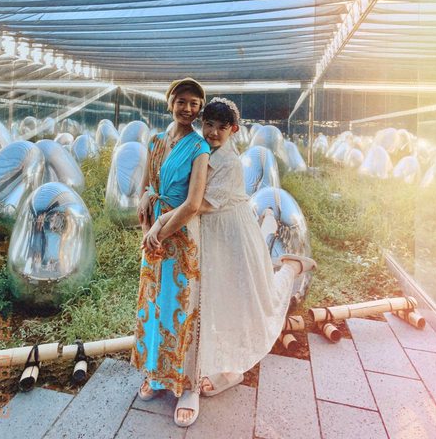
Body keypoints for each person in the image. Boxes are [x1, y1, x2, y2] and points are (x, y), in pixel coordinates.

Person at [145, 97, 317, 425]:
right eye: (208, 125)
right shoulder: (200, 149)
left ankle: (292, 267)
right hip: (205, 233)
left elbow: (198, 204)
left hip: (230, 234)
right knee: (212, 302)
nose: (212, 132)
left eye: (220, 128)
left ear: (233, 130)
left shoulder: (229, 161)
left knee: (254, 301)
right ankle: (215, 369)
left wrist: (161, 224)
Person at [131, 78, 210, 428]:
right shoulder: (155, 141)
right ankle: (156, 372)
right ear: (170, 103)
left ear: (200, 108)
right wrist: (146, 219)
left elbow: (193, 204)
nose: (187, 108)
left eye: (194, 103)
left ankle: (188, 385)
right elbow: (147, 186)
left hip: (180, 235)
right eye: (182, 101)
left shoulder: (200, 147)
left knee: (182, 309)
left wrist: (159, 230)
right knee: (154, 304)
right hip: (153, 233)